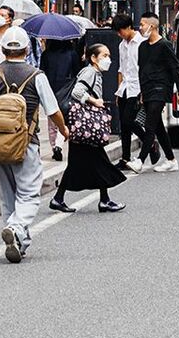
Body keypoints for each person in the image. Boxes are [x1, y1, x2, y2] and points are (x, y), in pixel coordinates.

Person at [0, 24, 68, 263]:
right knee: (29, 194)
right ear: (27, 48)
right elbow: (53, 110)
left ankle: (20, 242)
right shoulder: (36, 76)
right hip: (25, 143)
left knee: (8, 196)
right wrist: (63, 130)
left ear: (2, 48)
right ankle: (17, 228)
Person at [50, 43, 125, 214]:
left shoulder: (95, 73)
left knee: (81, 163)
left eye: (109, 56)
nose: (108, 60)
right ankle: (103, 201)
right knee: (100, 161)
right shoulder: (90, 72)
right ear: (93, 58)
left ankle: (60, 198)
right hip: (85, 125)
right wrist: (94, 101)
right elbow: (77, 92)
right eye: (104, 56)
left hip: (84, 127)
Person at [135, 15, 179, 172]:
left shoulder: (165, 45)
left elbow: (174, 69)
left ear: (152, 26)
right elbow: (141, 70)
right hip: (147, 89)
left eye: (142, 24)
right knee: (158, 127)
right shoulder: (142, 47)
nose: (140, 28)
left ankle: (140, 160)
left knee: (150, 124)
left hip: (161, 89)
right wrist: (141, 92)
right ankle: (171, 160)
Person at [39, 35, 83, 162]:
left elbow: (42, 72)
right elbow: (77, 73)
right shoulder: (72, 54)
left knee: (52, 120)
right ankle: (59, 144)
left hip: (50, 90)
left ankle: (54, 147)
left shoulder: (46, 54)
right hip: (66, 91)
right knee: (64, 121)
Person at [113, 13, 145, 167]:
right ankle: (125, 158)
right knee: (123, 125)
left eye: (121, 31)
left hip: (137, 87)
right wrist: (118, 91)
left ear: (128, 27)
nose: (120, 35)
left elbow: (144, 69)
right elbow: (121, 68)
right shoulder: (122, 45)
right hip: (125, 87)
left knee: (129, 120)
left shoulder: (141, 43)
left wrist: (143, 91)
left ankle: (148, 141)